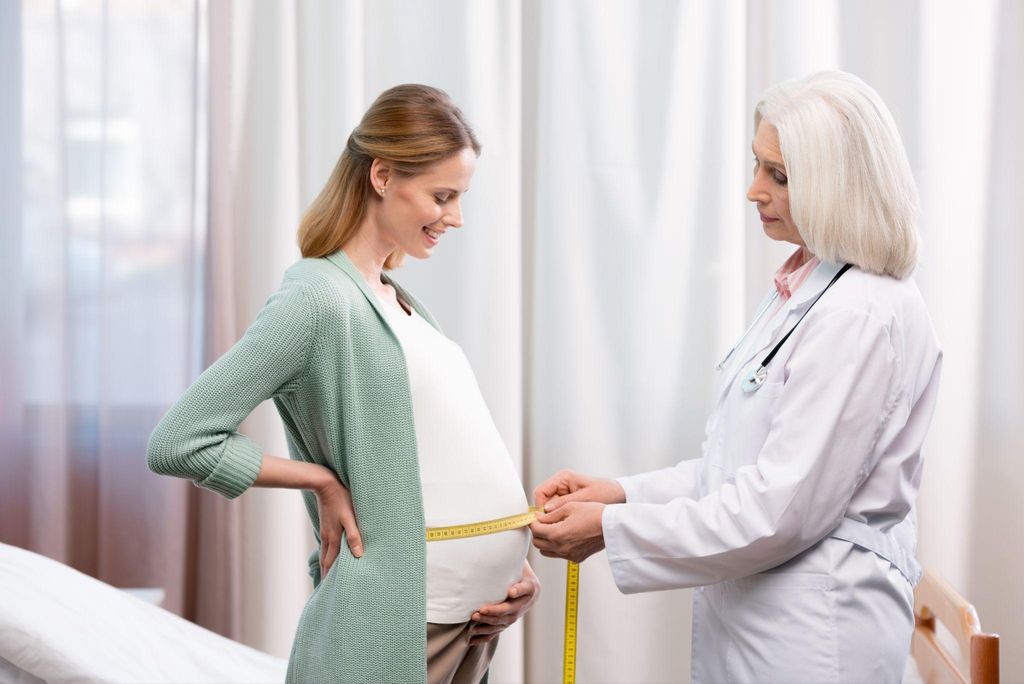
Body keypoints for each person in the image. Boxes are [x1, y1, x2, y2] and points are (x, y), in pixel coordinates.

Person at [530, 70, 942, 683]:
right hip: (768, 622)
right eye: (758, 166)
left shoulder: (859, 314)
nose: (754, 191)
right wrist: (621, 493)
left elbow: (779, 511)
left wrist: (612, 530)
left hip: (815, 635)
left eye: (779, 175)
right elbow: (740, 467)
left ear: (838, 184)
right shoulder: (809, 286)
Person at [147, 84, 539, 684]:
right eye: (443, 196)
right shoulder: (317, 297)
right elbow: (179, 440)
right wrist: (320, 480)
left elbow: (443, 455)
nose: (456, 217)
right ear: (382, 175)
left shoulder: (397, 299)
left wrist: (509, 561)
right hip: (401, 618)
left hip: (473, 618)